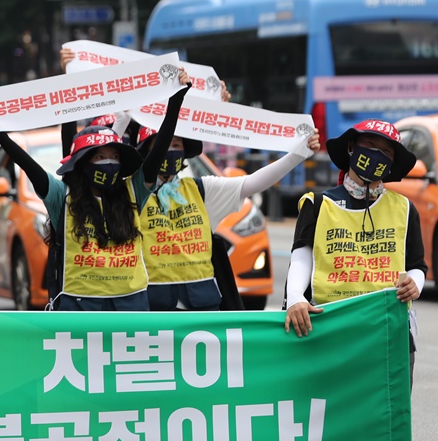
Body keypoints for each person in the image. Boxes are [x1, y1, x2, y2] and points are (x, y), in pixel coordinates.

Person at [282, 118, 424, 441]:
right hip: (334, 328)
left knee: (387, 424)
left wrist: (414, 282)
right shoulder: (317, 202)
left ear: (393, 161)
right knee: (337, 424)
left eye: (384, 149)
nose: (374, 155)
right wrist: (294, 299)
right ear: (350, 151)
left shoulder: (404, 208)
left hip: (389, 330)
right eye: (366, 145)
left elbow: (416, 263)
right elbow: (302, 258)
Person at [0, 71, 192, 310]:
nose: (109, 162)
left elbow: (158, 151)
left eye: (115, 156)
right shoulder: (61, 196)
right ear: (83, 164)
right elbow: (24, 161)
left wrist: (176, 100)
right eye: (100, 156)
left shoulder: (133, 190)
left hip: (132, 307)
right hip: (79, 310)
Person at [134, 110, 321, 311]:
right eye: (162, 145)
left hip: (202, 306)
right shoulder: (132, 192)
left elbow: (252, 183)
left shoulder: (201, 189)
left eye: (177, 145)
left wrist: (299, 154)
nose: (169, 151)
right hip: (152, 307)